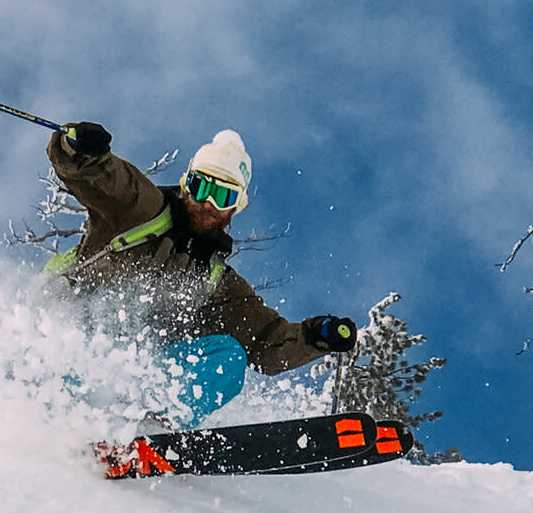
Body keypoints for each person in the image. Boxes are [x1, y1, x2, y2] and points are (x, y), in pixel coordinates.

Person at [44, 120, 356, 423]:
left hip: (132, 379)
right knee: (85, 340)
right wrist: (79, 148)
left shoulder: (216, 281)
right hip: (71, 346)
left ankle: (153, 427)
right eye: (199, 186)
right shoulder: (140, 209)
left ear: (236, 206)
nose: (206, 202)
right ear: (185, 184)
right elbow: (102, 175)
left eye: (222, 196)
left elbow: (265, 342)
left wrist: (315, 335)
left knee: (228, 356)